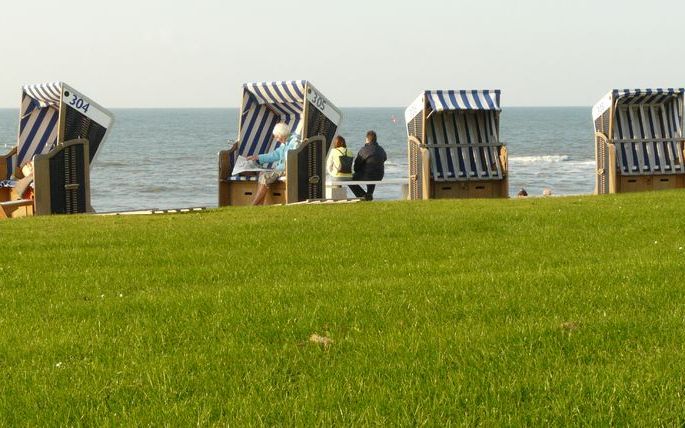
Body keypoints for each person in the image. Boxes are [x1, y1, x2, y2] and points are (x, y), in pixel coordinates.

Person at [247, 122, 300, 205]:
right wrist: (257, 157)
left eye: (277, 136)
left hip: (288, 169)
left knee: (265, 176)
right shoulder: (285, 143)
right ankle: (259, 205)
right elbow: (275, 155)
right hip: (281, 168)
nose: (276, 139)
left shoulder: (294, 142)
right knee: (262, 174)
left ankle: (253, 205)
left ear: (282, 134)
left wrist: (277, 168)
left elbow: (292, 158)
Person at [348, 130, 387, 201]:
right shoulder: (381, 149)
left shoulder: (364, 150)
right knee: (372, 171)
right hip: (379, 175)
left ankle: (363, 196)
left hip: (368, 175)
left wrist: (360, 170)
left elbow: (356, 166)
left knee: (349, 180)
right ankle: (369, 194)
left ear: (367, 139)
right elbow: (385, 158)